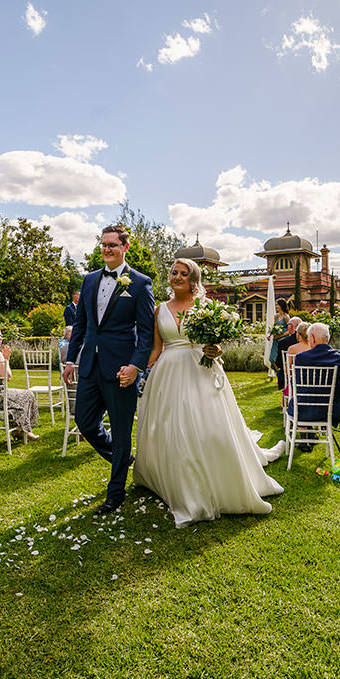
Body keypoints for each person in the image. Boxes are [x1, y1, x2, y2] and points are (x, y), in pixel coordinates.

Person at [133, 258, 284, 528]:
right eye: (173, 273)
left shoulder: (205, 308)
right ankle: (172, 480)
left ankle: (216, 480)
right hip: (167, 373)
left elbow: (214, 344)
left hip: (200, 371)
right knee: (169, 427)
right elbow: (157, 348)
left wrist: (216, 351)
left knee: (206, 426)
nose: (177, 277)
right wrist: (140, 369)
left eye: (183, 274)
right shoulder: (159, 310)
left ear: (193, 279)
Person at [63, 225, 155, 514]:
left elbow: (147, 332)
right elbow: (81, 325)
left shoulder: (140, 283)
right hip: (90, 364)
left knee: (122, 429)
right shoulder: (89, 279)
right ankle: (122, 457)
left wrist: (136, 366)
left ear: (125, 247)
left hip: (121, 370)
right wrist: (70, 359)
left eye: (113, 245)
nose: (106, 249)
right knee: (85, 421)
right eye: (103, 244)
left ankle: (115, 493)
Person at [286, 322, 340, 427]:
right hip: (331, 412)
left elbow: (295, 386)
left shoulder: (301, 358)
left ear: (312, 338)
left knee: (296, 400)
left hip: (302, 411)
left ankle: (305, 435)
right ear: (328, 338)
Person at [282, 321, 312, 400]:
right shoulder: (314, 348)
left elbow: (287, 370)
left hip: (297, 383)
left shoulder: (292, 349)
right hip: (313, 382)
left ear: (298, 334)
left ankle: (291, 404)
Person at [275, 316, 302, 392]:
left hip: (287, 375)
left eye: (288, 325)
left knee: (280, 371)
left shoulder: (283, 342)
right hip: (304, 375)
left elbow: (279, 362)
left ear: (291, 327)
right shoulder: (308, 343)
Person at [267, 298, 290, 375]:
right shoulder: (276, 316)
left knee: (280, 359)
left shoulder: (286, 317)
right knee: (272, 358)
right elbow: (274, 327)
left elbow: (290, 330)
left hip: (282, 340)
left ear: (281, 305)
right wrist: (270, 335)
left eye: (277, 304)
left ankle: (281, 375)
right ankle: (279, 374)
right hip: (275, 340)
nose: (276, 306)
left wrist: (281, 335)